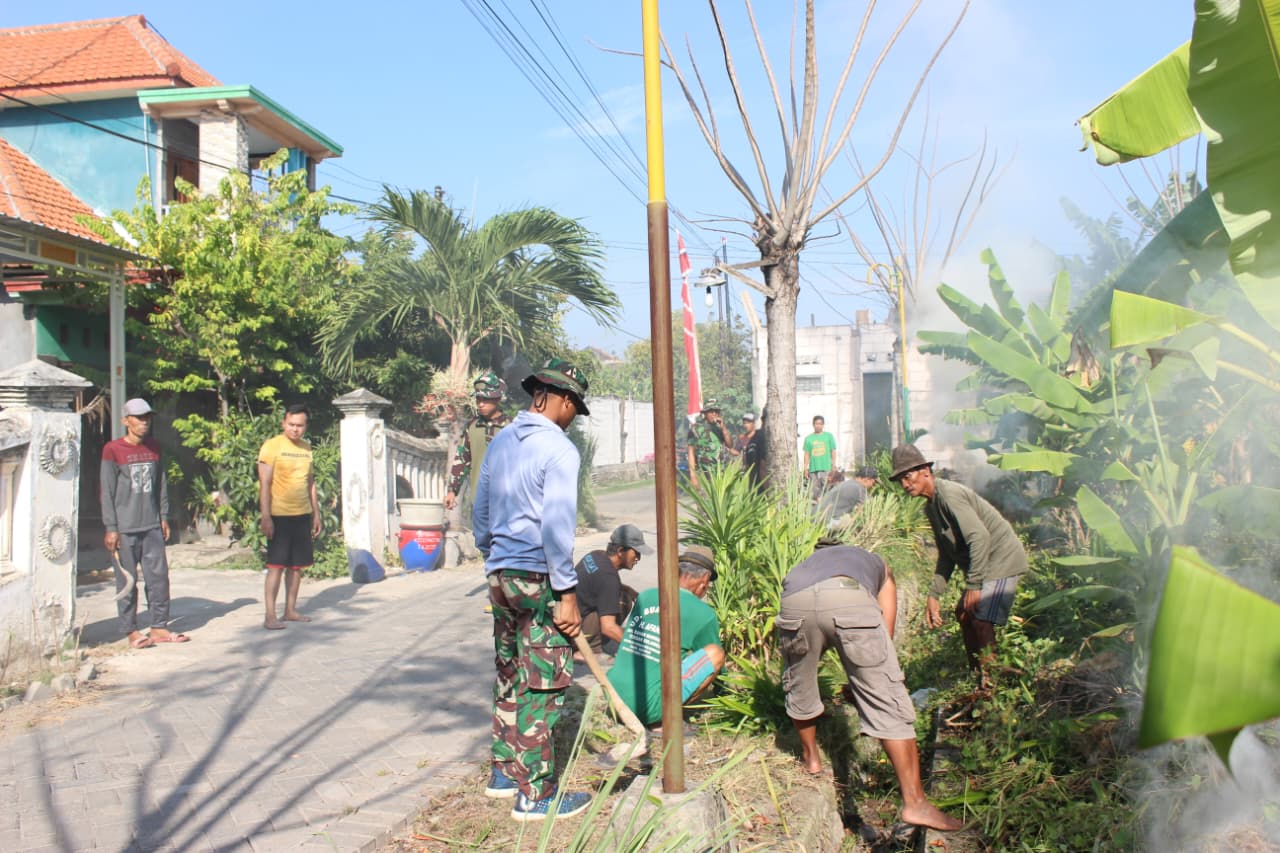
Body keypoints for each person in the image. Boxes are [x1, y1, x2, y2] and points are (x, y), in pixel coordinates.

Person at [473, 358, 594, 822]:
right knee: (541, 684)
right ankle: (536, 795)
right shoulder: (560, 450)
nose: (572, 417)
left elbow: (481, 512)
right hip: (538, 576)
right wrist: (566, 593)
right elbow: (557, 526)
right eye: (574, 407)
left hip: (500, 575)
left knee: (509, 670)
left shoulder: (502, 441)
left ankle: (504, 773)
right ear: (561, 399)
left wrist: (492, 557)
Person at [776, 540, 963, 831]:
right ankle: (915, 803)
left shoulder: (806, 565)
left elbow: (817, 626)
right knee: (886, 697)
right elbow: (883, 625)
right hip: (847, 598)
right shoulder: (874, 561)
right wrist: (871, 671)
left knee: (799, 681)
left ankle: (811, 759)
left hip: (795, 598)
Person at [890, 444, 1027, 680]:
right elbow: (946, 555)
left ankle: (991, 684)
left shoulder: (949, 495)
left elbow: (980, 537)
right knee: (963, 614)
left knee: (981, 618)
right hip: (985, 562)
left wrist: (974, 586)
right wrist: (934, 594)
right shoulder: (931, 507)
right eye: (901, 479)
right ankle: (977, 677)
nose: (905, 484)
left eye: (907, 476)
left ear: (925, 471)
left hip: (1001, 557)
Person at [101, 398, 188, 648]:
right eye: (139, 417)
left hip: (151, 525)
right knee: (127, 581)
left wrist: (163, 515)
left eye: (147, 417)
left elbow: (160, 484)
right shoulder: (113, 449)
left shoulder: (154, 448)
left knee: (158, 578)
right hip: (124, 529)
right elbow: (106, 492)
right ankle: (130, 631)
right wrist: (111, 528)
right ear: (125, 421)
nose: (144, 422)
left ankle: (159, 627)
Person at [607, 546, 726, 728]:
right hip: (644, 709)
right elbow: (717, 668)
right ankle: (665, 717)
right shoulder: (703, 613)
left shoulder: (646, 596)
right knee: (715, 653)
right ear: (704, 579)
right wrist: (726, 692)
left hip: (612, 696)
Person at [258, 404, 321, 631]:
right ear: (284, 423)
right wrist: (266, 516)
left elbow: (310, 483)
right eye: (291, 424)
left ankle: (290, 610)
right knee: (276, 566)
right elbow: (264, 483)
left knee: (296, 567)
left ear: (305, 426)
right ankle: (270, 615)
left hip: (302, 514)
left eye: (299, 426)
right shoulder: (271, 447)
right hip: (279, 516)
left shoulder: (306, 449)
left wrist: (316, 514)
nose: (295, 429)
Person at [574, 524, 650, 657]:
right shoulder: (609, 578)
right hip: (574, 629)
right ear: (621, 551)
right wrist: (640, 649)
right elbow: (608, 627)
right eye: (636, 553)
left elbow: (598, 583)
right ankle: (589, 648)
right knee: (623, 601)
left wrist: (629, 590)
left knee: (624, 594)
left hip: (568, 614)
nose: (638, 558)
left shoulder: (596, 555)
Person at [444, 372, 510, 512]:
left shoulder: (512, 427)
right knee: (480, 534)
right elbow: (462, 459)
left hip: (507, 504)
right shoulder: (472, 427)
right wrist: (452, 490)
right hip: (479, 501)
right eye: (478, 399)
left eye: (485, 399)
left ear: (497, 399)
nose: (480, 404)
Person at [686, 399, 733, 490]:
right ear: (705, 413)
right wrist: (693, 476)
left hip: (721, 472)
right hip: (704, 472)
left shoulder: (720, 428)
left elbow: (730, 445)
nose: (714, 414)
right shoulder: (696, 429)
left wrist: (723, 429)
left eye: (716, 411)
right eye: (711, 411)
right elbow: (691, 451)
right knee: (706, 500)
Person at [803, 415, 836, 501]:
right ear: (813, 425)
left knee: (827, 489)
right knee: (814, 491)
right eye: (816, 423)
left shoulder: (829, 436)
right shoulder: (808, 439)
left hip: (826, 468)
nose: (818, 425)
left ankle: (827, 508)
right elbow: (806, 454)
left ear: (823, 425)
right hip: (813, 469)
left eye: (820, 424)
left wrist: (833, 465)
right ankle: (818, 508)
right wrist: (805, 468)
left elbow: (833, 451)